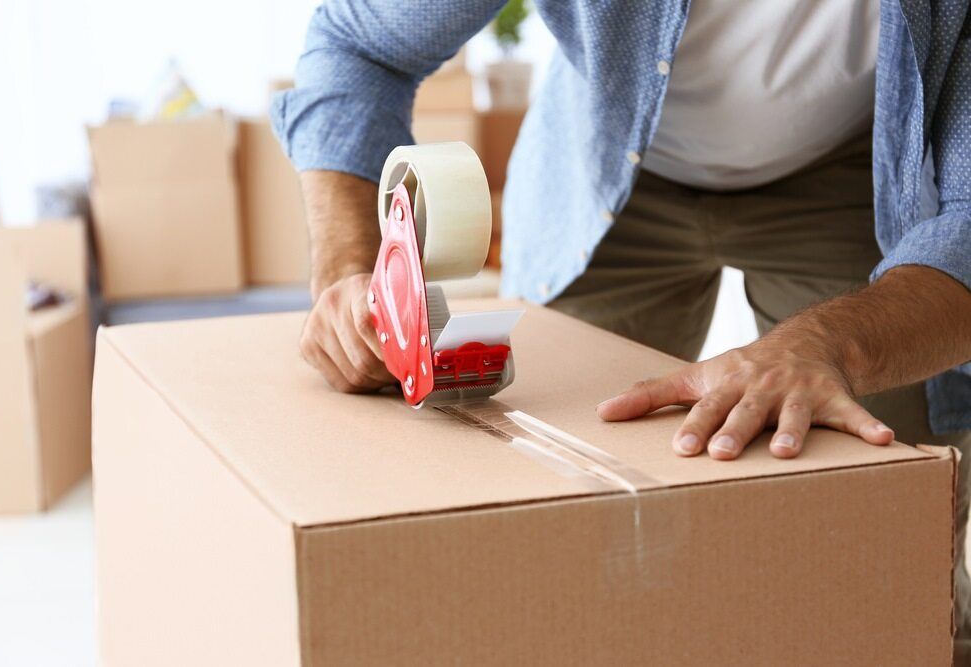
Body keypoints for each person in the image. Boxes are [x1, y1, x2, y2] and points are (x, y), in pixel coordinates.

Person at [271, 1, 971, 660]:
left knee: (887, 531)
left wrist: (835, 344)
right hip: (612, 159)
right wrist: (349, 269)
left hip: (852, 169)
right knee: (546, 490)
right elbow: (362, 46)